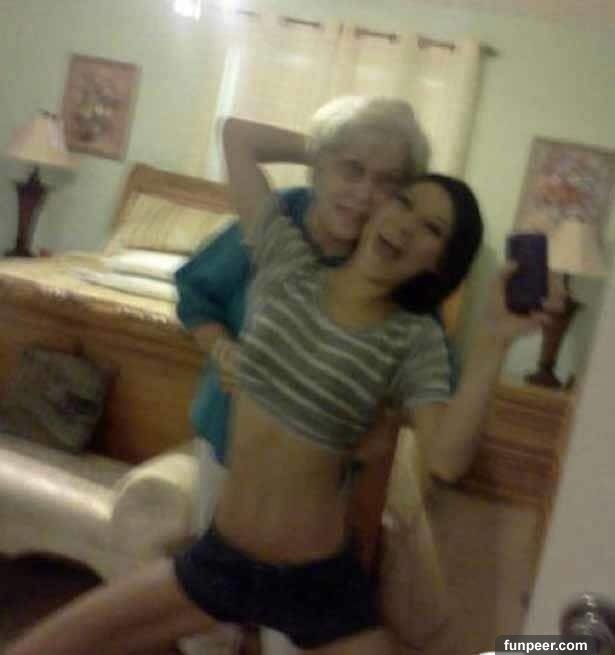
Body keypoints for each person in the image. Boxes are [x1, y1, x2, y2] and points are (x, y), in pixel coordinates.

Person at [4, 110, 558, 655]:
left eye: (432, 228)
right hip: (221, 561)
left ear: (440, 264)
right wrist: (339, 153)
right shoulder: (284, 257)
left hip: (316, 581)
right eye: (405, 201)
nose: (407, 223)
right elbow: (238, 137)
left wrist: (494, 341)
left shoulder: (415, 338)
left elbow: (446, 462)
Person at [175, 97, 433, 655]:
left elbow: (410, 380)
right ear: (320, 167)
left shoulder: (391, 265)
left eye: (387, 182)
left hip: (317, 478)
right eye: (351, 170)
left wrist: (384, 419)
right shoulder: (274, 220)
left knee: (291, 632)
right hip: (228, 443)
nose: (364, 194)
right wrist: (222, 349)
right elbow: (196, 295)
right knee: (208, 617)